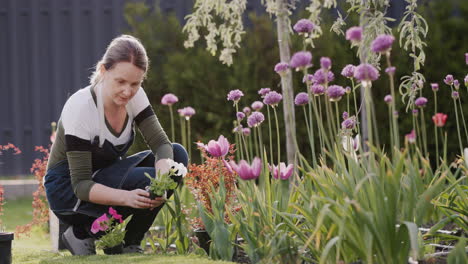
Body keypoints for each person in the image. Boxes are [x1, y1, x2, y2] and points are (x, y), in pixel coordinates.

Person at [44, 35, 188, 255]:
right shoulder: (80, 107)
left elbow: (161, 144)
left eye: (135, 83)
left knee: (177, 155)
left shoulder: (135, 96)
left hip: (104, 175)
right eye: (120, 82)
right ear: (103, 71)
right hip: (69, 192)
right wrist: (127, 198)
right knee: (143, 179)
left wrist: (163, 170)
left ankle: (132, 242)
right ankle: (83, 232)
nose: (128, 91)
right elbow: (81, 185)